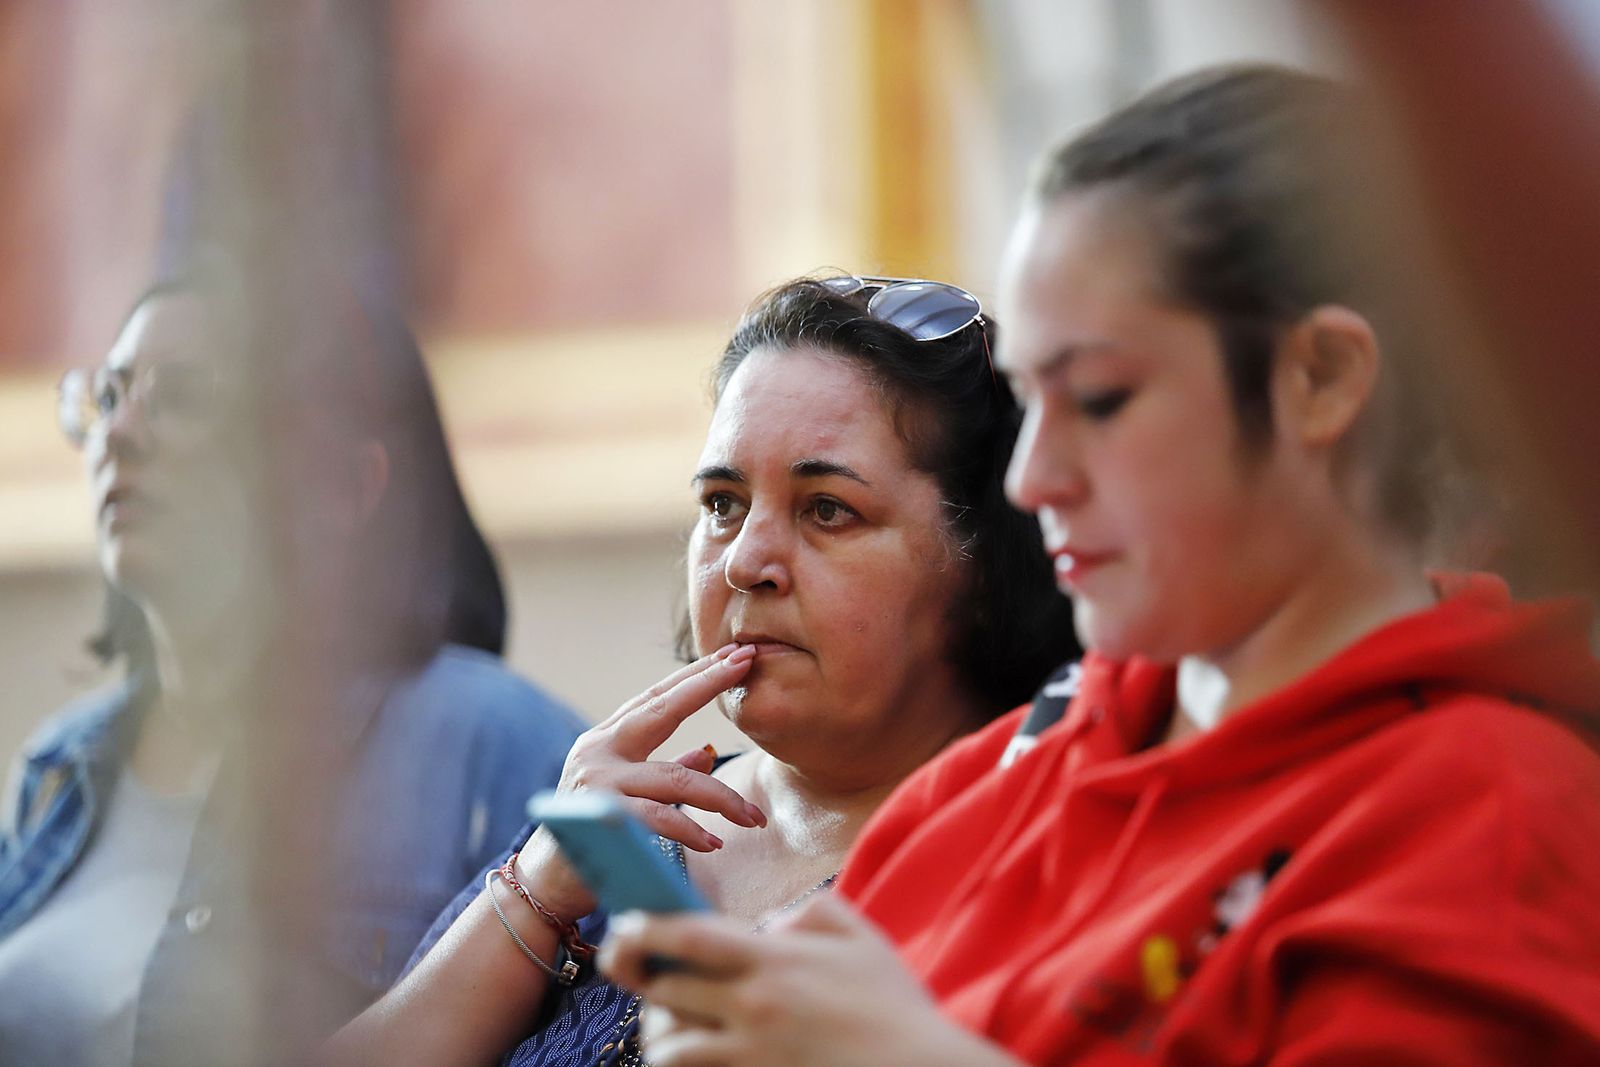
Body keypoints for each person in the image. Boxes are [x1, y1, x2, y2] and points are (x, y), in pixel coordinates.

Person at [597, 66, 1600, 1065]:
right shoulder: (1027, 760)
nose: (1032, 479)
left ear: (1320, 378)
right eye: (1033, 401)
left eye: (1103, 399)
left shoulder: (1492, 817)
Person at [322, 274, 1080, 1066]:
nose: (745, 562)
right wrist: (533, 893)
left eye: (827, 508)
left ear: (983, 564)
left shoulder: (1053, 852)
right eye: (723, 503)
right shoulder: (616, 831)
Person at [0, 265, 586, 1067]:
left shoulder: (497, 742)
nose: (120, 431)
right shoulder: (60, 766)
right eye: (109, 393)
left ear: (345, 485)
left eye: (183, 396)